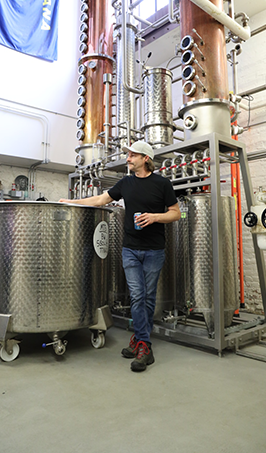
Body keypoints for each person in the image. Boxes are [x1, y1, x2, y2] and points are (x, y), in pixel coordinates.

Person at [59, 140, 180, 372]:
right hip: (130, 249)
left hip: (154, 250)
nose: (128, 158)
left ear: (146, 158)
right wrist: (71, 202)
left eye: (133, 155)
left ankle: (139, 340)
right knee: (137, 296)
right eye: (128, 155)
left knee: (148, 297)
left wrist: (155, 217)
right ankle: (145, 345)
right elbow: (100, 200)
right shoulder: (125, 183)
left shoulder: (162, 184)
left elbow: (175, 214)